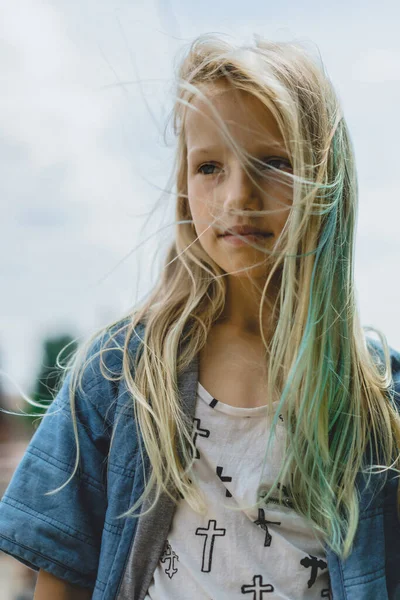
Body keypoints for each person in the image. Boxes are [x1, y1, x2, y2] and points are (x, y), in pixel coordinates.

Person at [0, 32, 400, 600]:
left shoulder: (377, 397)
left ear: (326, 178)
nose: (238, 194)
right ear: (184, 186)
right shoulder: (120, 376)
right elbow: (59, 573)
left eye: (273, 162)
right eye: (209, 166)